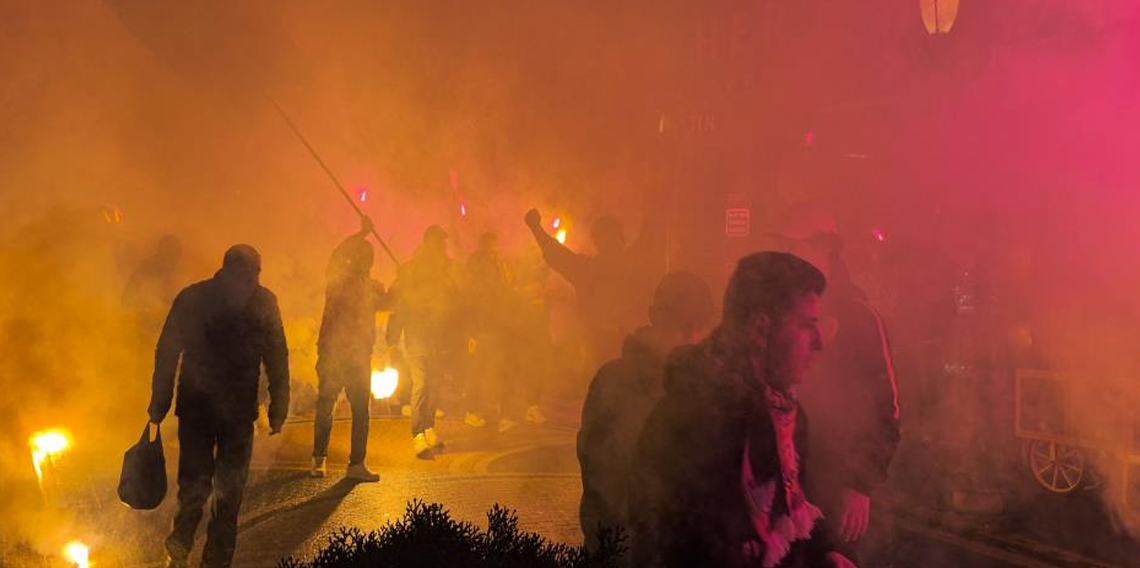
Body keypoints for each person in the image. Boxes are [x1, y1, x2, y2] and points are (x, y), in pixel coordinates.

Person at [630, 252, 856, 568]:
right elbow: (664, 540)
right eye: (806, 325)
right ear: (759, 330)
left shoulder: (786, 415)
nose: (820, 341)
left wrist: (823, 556)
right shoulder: (692, 418)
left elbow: (791, 509)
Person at [148, 244, 290, 568]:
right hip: (207, 410)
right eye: (245, 275)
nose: (248, 281)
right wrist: (159, 401)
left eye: (251, 276)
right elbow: (167, 350)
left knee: (217, 491)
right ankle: (188, 553)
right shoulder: (213, 299)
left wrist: (279, 405)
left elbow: (276, 355)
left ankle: (198, 557)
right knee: (203, 490)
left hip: (224, 412)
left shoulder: (202, 297)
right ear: (228, 271)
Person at [774, 205, 900, 557]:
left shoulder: (860, 318)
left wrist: (860, 484)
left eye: (795, 246)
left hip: (837, 487)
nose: (788, 256)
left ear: (825, 248)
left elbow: (887, 411)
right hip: (788, 484)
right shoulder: (782, 310)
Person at [577, 270, 714, 557]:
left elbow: (593, 464)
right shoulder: (679, 388)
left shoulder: (610, 377)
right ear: (694, 330)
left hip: (612, 544)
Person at [523, 208, 660, 366]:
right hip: (599, 353)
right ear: (599, 242)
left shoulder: (630, 264)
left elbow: (648, 239)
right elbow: (557, 254)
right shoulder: (587, 270)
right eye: (610, 237)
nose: (616, 240)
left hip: (632, 352)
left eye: (617, 235)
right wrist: (536, 228)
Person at [310, 216, 392, 481]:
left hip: (343, 354)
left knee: (331, 406)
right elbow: (393, 302)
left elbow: (391, 302)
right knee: (354, 410)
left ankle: (321, 460)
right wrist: (361, 235)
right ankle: (352, 463)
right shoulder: (355, 284)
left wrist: (361, 234)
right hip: (343, 354)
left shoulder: (343, 281)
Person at [386, 225, 458, 458]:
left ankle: (428, 427)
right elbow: (397, 304)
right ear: (429, 243)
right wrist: (392, 338)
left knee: (434, 384)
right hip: (417, 336)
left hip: (439, 338)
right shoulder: (411, 271)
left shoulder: (444, 271)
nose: (442, 247)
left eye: (443, 243)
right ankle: (418, 433)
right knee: (422, 383)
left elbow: (454, 301)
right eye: (439, 242)